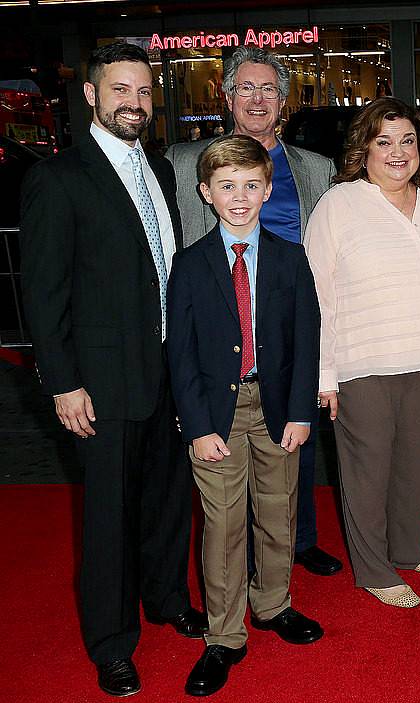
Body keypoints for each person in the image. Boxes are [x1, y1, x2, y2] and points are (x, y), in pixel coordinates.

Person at [19, 42, 205, 697]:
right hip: (98, 383)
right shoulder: (59, 177)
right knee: (107, 518)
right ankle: (111, 641)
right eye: (120, 89)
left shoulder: (155, 165)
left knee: (164, 501)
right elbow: (41, 294)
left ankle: (167, 601)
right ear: (93, 95)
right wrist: (64, 381)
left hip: (163, 369)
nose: (134, 102)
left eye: (144, 91)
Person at [166, 47, 343, 578]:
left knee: (292, 444)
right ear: (227, 95)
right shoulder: (180, 162)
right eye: (246, 87)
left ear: (284, 101)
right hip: (220, 323)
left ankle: (300, 542)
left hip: (289, 320)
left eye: (269, 89)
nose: (258, 98)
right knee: (225, 461)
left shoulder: (315, 167)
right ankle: (237, 567)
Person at [167, 135, 323, 696]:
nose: (240, 197)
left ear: (268, 188)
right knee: (224, 523)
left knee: (277, 512)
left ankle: (273, 603)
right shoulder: (188, 266)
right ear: (206, 193)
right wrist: (198, 424)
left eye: (251, 185)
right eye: (227, 186)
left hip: (278, 408)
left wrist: (302, 410)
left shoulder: (290, 256)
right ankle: (224, 636)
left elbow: (307, 338)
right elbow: (180, 353)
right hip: (217, 414)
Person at [306, 98, 420, 608]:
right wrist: (324, 372)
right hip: (363, 361)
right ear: (363, 149)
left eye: (407, 141)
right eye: (384, 141)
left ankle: (406, 545)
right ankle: (374, 569)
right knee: (368, 472)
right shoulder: (339, 203)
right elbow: (317, 294)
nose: (397, 152)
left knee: (416, 464)